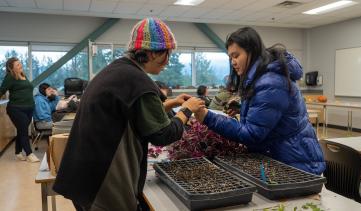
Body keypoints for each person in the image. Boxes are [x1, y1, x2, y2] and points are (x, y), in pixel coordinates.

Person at [53, 17, 204, 211]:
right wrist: (186, 110)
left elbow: (130, 114)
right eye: (167, 53)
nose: (168, 61)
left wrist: (172, 103)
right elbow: (163, 134)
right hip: (104, 180)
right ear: (150, 52)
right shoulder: (138, 82)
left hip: (83, 175)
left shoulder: (118, 71)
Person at [194, 27, 325, 175]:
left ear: (252, 51)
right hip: (284, 158)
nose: (233, 62)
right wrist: (243, 108)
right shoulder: (263, 76)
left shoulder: (271, 82)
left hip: (296, 165)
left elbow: (252, 134)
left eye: (236, 55)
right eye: (230, 57)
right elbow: (269, 113)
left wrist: (208, 117)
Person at [0, 57, 40, 162]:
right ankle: (29, 153)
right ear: (11, 68)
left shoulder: (23, 75)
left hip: (29, 108)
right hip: (16, 109)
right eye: (17, 65)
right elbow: (2, 90)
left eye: (20, 63)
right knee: (23, 131)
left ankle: (18, 152)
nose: (20, 65)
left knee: (21, 130)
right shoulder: (10, 77)